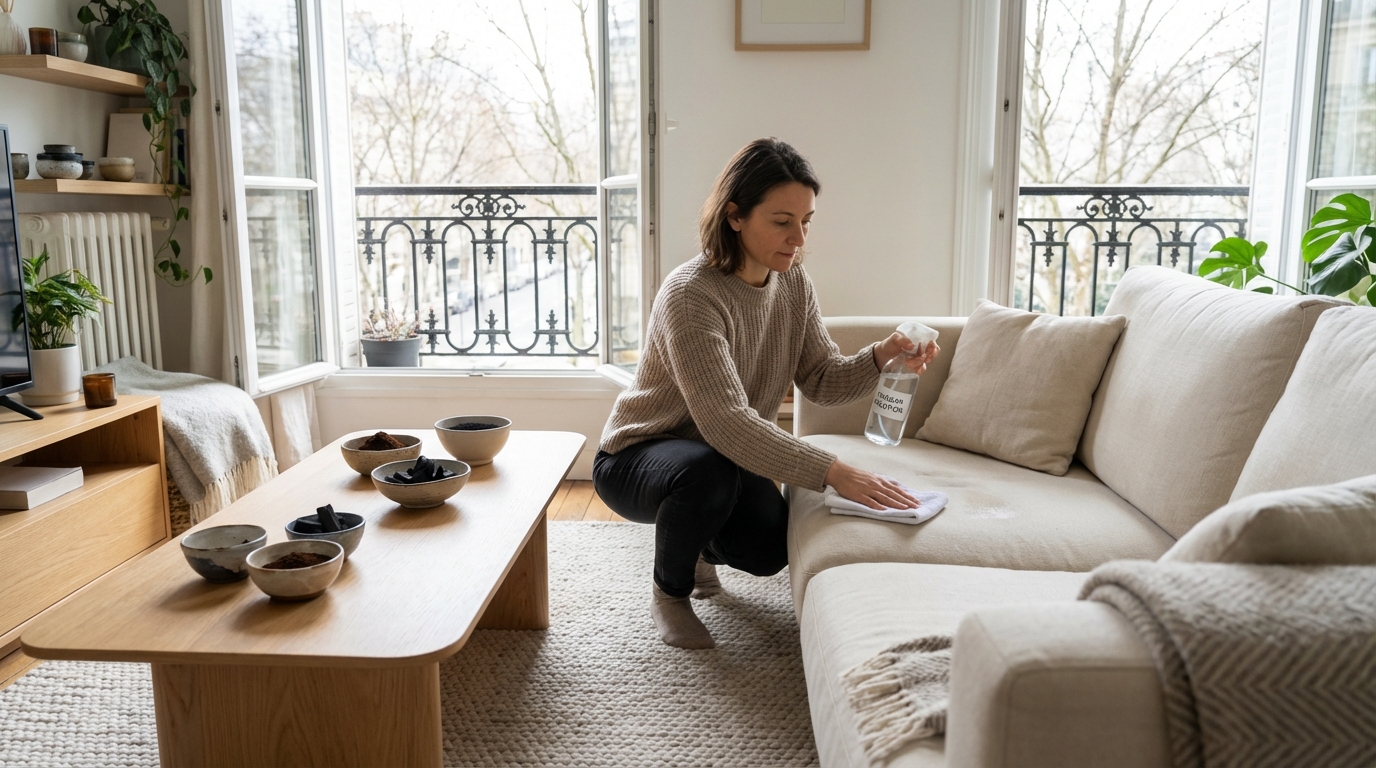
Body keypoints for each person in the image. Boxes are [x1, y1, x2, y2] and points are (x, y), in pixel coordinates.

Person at [593, 138, 940, 649]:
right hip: (637, 457)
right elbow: (727, 421)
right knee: (702, 474)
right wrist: (833, 472)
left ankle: (697, 546)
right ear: (735, 216)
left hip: (721, 457)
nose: (798, 237)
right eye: (782, 221)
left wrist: (881, 356)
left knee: (767, 551)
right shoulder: (691, 295)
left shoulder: (793, 281)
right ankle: (670, 593)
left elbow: (821, 378)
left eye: (806, 221)